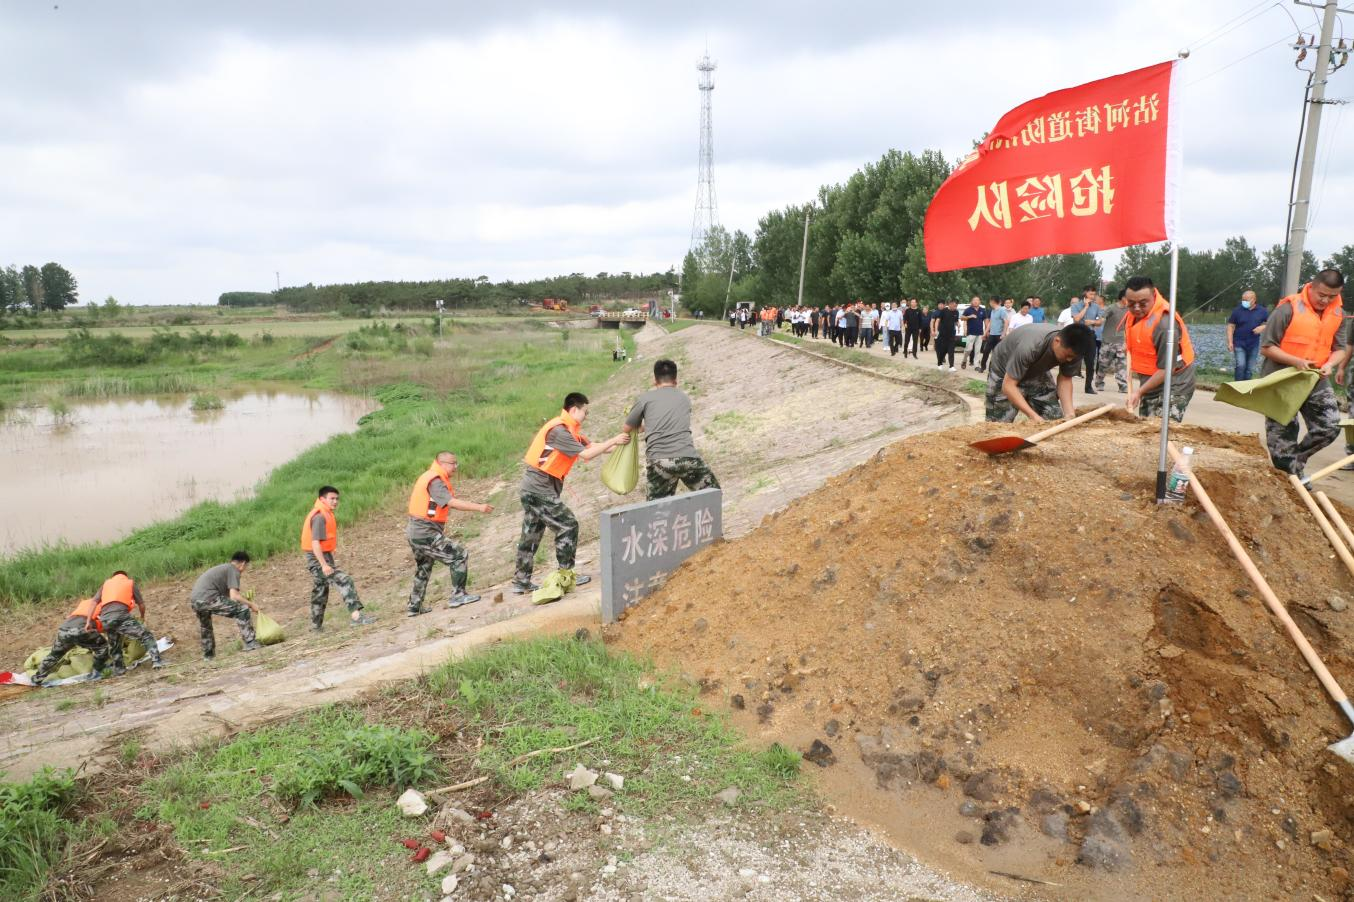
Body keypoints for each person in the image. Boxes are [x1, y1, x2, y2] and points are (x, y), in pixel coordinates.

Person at [514, 393, 629, 594]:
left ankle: (521, 581)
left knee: (531, 534)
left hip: (535, 488)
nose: (586, 415)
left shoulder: (571, 430)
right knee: (568, 525)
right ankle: (566, 574)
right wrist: (613, 439)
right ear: (574, 409)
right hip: (538, 488)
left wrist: (624, 443)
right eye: (585, 411)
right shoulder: (559, 431)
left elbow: (593, 447)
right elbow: (587, 454)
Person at [1258, 269, 1348, 475]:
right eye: (1322, 295)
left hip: (1315, 379)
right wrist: (1296, 361)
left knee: (1329, 427)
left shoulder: (1338, 314)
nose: (1326, 300)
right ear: (1312, 286)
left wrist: (1330, 364)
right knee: (1283, 438)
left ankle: (1294, 462)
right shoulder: (1288, 309)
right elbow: (1267, 347)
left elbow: (1340, 349)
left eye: (1332, 296)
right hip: (1281, 380)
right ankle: (1290, 476)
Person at [406, 453, 495, 615]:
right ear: (442, 463)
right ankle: (458, 596)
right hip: (424, 531)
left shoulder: (429, 476)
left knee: (424, 567)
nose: (456, 467)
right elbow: (451, 502)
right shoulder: (435, 480)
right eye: (453, 464)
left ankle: (414, 605)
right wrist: (479, 507)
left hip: (416, 531)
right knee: (459, 555)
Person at [624, 359, 720, 500]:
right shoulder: (684, 398)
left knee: (656, 509)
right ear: (675, 381)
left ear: (654, 381)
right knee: (713, 496)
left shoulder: (644, 399)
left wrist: (646, 426)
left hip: (658, 461)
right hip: (687, 457)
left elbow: (627, 428)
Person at [984, 322, 1096, 422]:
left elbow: (1065, 379)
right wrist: (1033, 416)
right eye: (1068, 355)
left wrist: (1070, 414)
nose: (1069, 360)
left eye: (1073, 357)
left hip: (1036, 372)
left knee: (1053, 418)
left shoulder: (1074, 351)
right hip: (1004, 373)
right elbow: (1008, 386)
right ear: (1057, 341)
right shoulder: (1031, 346)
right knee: (999, 425)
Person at [1123, 276, 1196, 423]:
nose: (1136, 308)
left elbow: (1166, 369)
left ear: (1153, 296)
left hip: (1176, 381)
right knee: (1146, 426)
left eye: (1143, 304)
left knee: (1161, 429)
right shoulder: (1132, 316)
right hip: (1150, 382)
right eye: (1131, 303)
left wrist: (1139, 392)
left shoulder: (1164, 325)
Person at [302, 486, 371, 630]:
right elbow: (315, 544)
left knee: (320, 591)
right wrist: (324, 565)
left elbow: (323, 542)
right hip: (317, 559)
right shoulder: (320, 516)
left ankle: (316, 627)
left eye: (337, 499)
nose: (335, 502)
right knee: (344, 580)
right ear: (322, 499)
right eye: (331, 498)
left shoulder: (325, 513)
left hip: (323, 556)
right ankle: (356, 617)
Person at [88, 571, 165, 672]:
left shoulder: (106, 584)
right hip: (121, 616)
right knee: (146, 635)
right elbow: (141, 605)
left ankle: (119, 669)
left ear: (113, 577)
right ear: (125, 576)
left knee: (114, 644)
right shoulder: (129, 583)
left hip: (105, 619)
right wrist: (142, 617)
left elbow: (93, 602)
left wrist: (88, 621)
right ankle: (157, 661)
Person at [190, 552, 259, 660]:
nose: (244, 569)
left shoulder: (224, 569)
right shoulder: (233, 570)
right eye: (246, 566)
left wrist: (243, 599)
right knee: (242, 609)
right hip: (209, 598)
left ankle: (208, 656)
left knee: (205, 626)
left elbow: (229, 597)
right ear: (243, 564)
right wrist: (251, 604)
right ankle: (250, 642)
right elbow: (234, 596)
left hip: (195, 600)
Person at [29, 597, 112, 686]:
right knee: (103, 647)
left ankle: (37, 678)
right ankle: (97, 672)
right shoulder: (108, 605)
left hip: (64, 629)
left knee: (54, 655)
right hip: (81, 629)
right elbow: (108, 625)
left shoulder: (88, 602)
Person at [1227, 289, 1269, 382]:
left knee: (1249, 370)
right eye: (1243, 299)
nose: (1244, 302)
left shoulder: (1262, 311)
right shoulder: (1237, 311)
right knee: (1240, 366)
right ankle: (1237, 388)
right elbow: (1230, 326)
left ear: (1254, 300)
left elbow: (1271, 323)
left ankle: (1245, 390)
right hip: (1239, 343)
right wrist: (1230, 342)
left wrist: (1262, 328)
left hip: (1253, 344)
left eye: (1246, 300)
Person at [1070, 286, 1105, 394]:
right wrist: (1085, 307)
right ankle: (1064, 385)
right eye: (1091, 294)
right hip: (1078, 335)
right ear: (1085, 293)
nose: (1093, 296)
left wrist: (1093, 322)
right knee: (1071, 361)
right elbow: (1076, 319)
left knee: (1090, 363)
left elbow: (1100, 321)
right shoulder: (1076, 305)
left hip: (1090, 335)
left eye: (1094, 294)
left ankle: (1088, 387)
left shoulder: (1096, 307)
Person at [1096, 289, 1130, 392]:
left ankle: (1123, 386)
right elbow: (1102, 319)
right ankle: (1099, 382)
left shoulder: (1129, 310)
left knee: (1122, 365)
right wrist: (1097, 322)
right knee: (1103, 364)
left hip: (1121, 342)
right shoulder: (1111, 308)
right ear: (1123, 297)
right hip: (1108, 341)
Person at [979, 297, 1007, 372]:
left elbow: (1006, 322)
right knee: (986, 351)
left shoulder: (1002, 310)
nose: (989, 303)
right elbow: (990, 322)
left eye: (990, 301)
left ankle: (992, 369)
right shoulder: (992, 311)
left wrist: (1003, 333)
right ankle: (983, 367)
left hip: (999, 335)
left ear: (993, 302)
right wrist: (985, 333)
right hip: (992, 334)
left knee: (996, 353)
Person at [934, 299, 960, 371]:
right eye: (954, 306)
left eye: (956, 306)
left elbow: (956, 320)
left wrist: (958, 324)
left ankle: (951, 366)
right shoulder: (943, 311)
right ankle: (939, 364)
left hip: (951, 335)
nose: (955, 307)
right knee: (942, 351)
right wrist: (936, 330)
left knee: (951, 351)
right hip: (942, 335)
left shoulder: (956, 312)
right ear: (950, 304)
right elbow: (937, 321)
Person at [960, 297, 985, 369]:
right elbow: (962, 318)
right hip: (970, 333)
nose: (976, 302)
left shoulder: (982, 310)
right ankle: (964, 360)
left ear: (980, 301)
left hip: (980, 333)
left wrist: (986, 332)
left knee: (977, 350)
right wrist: (969, 316)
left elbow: (986, 320)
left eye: (977, 300)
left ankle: (976, 365)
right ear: (971, 301)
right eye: (974, 300)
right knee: (968, 349)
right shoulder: (968, 310)